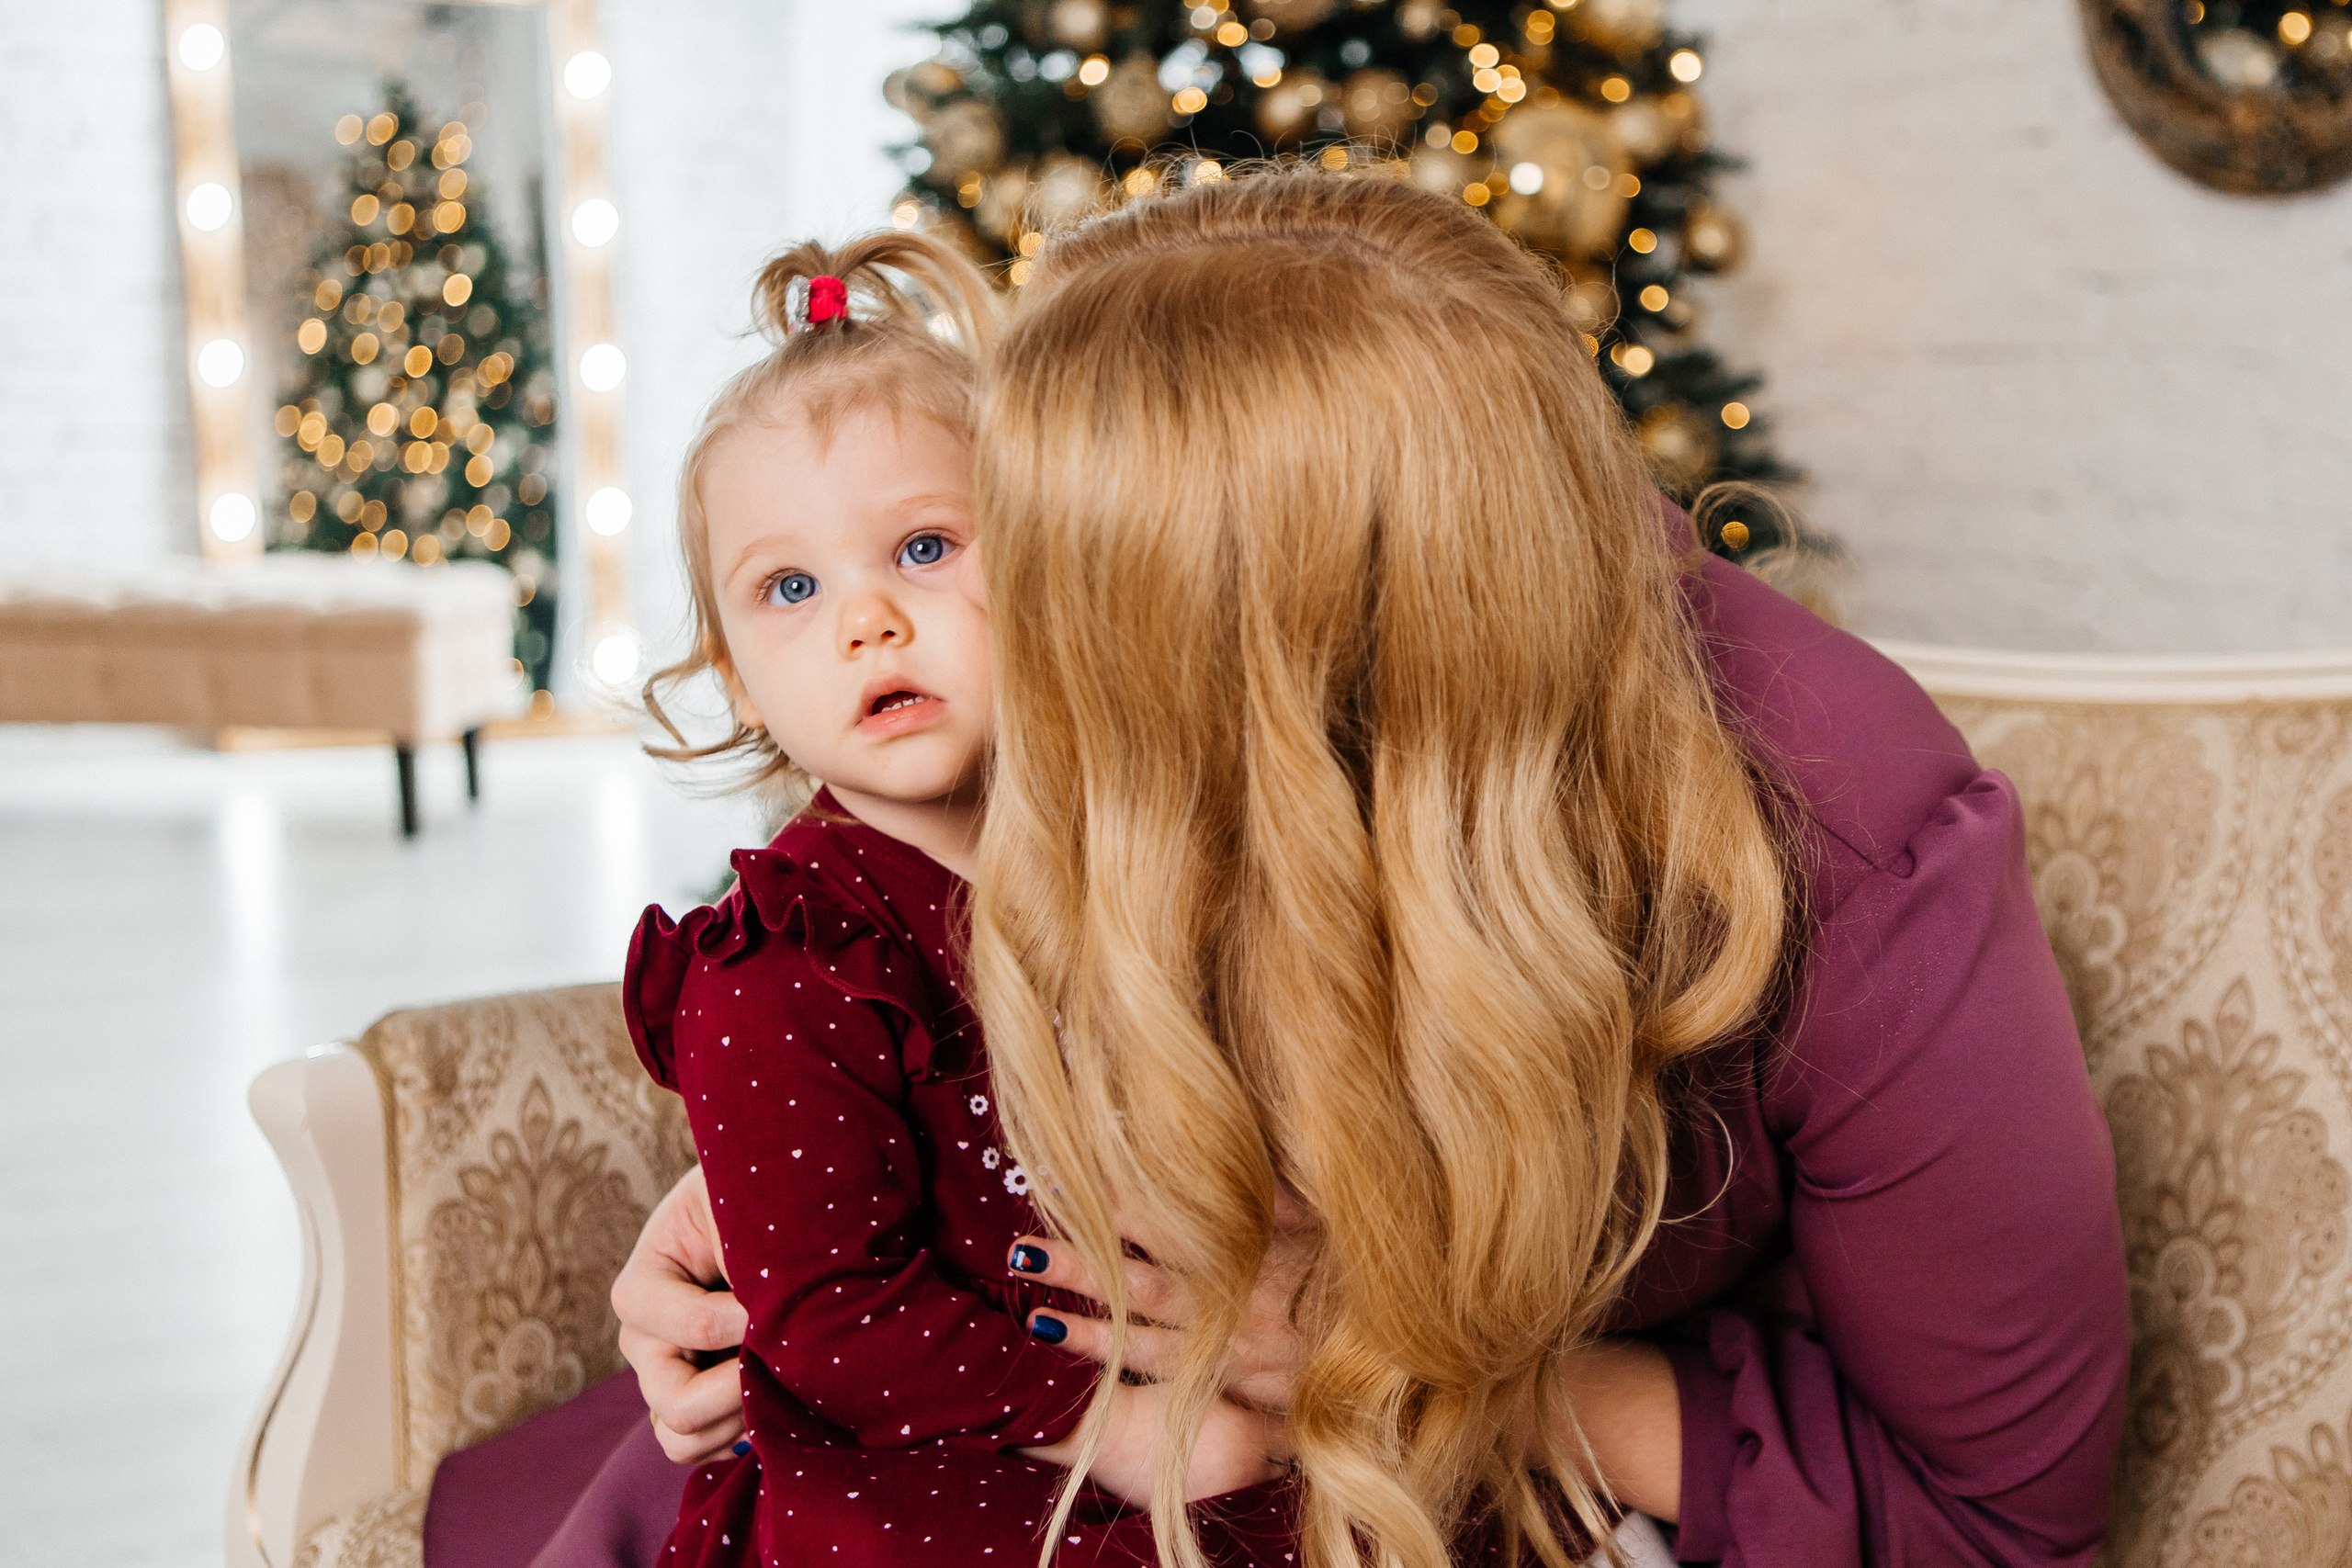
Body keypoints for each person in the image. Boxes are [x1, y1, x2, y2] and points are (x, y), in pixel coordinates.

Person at [444, 166, 2132, 1567]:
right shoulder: (1100, 738)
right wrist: (767, 1210)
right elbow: (960, 1019)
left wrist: (1412, 1365)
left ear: (1320, 662)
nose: (928, 638)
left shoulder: (1853, 846)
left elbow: (2004, 1512)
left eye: (983, 565)